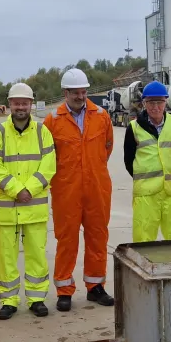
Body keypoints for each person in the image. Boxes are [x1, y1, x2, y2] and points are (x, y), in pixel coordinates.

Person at [44, 67, 115, 312]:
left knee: (98, 236)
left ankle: (96, 287)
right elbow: (47, 156)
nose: (80, 96)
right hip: (66, 189)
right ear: (65, 92)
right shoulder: (53, 120)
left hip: (97, 187)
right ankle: (64, 290)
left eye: (83, 91)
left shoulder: (102, 116)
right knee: (67, 239)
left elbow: (107, 147)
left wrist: (92, 170)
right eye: (75, 92)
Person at [0, 83, 56, 320]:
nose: (20, 107)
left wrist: (30, 189)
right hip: (8, 208)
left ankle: (37, 298)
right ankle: (9, 300)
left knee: (36, 252)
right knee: (6, 255)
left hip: (34, 206)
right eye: (16, 103)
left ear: (31, 105)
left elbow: (49, 166)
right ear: (9, 105)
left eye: (24, 103)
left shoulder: (42, 132)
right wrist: (17, 190)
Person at [125, 80, 171, 241]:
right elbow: (128, 160)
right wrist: (144, 177)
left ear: (166, 102)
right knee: (143, 239)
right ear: (144, 103)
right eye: (151, 102)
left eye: (159, 102)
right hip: (145, 194)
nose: (155, 107)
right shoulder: (134, 127)